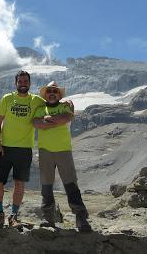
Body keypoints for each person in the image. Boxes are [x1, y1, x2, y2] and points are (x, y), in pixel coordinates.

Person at [33, 81, 92, 232]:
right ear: (45, 94)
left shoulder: (65, 106)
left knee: (70, 183)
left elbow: (66, 118)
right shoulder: (40, 109)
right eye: (49, 91)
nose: (52, 93)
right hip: (45, 151)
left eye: (55, 91)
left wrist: (47, 120)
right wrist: (52, 121)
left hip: (63, 150)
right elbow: (36, 123)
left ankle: (81, 218)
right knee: (46, 185)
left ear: (59, 95)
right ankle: (48, 218)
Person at [0, 70, 45, 228]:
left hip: (24, 149)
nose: (23, 84)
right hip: (5, 148)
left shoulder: (36, 100)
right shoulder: (7, 99)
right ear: (16, 83)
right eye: (20, 81)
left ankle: (13, 216)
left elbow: (52, 102)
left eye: (25, 81)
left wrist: (67, 103)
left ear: (29, 83)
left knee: (19, 184)